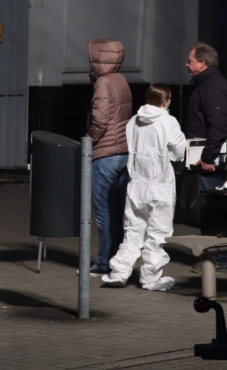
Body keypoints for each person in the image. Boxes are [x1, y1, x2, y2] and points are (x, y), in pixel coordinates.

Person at [101, 84, 187, 291]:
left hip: (137, 184)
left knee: (132, 231)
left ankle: (119, 272)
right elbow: (178, 149)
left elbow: (132, 147)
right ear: (165, 100)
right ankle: (150, 278)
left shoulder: (134, 121)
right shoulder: (168, 121)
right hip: (161, 184)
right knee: (158, 234)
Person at [184, 42, 227, 272]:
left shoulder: (212, 87)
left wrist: (207, 158)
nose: (187, 64)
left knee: (214, 211)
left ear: (203, 63)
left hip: (210, 164)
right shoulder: (210, 85)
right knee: (214, 211)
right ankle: (219, 257)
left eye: (191, 60)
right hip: (209, 161)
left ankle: (220, 259)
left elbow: (218, 127)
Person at [85, 39, 133, 277]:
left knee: (103, 213)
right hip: (122, 154)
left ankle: (104, 263)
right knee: (117, 213)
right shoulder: (121, 80)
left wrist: (88, 140)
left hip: (104, 155)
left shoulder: (103, 82)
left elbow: (100, 120)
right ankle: (118, 260)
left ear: (99, 57)